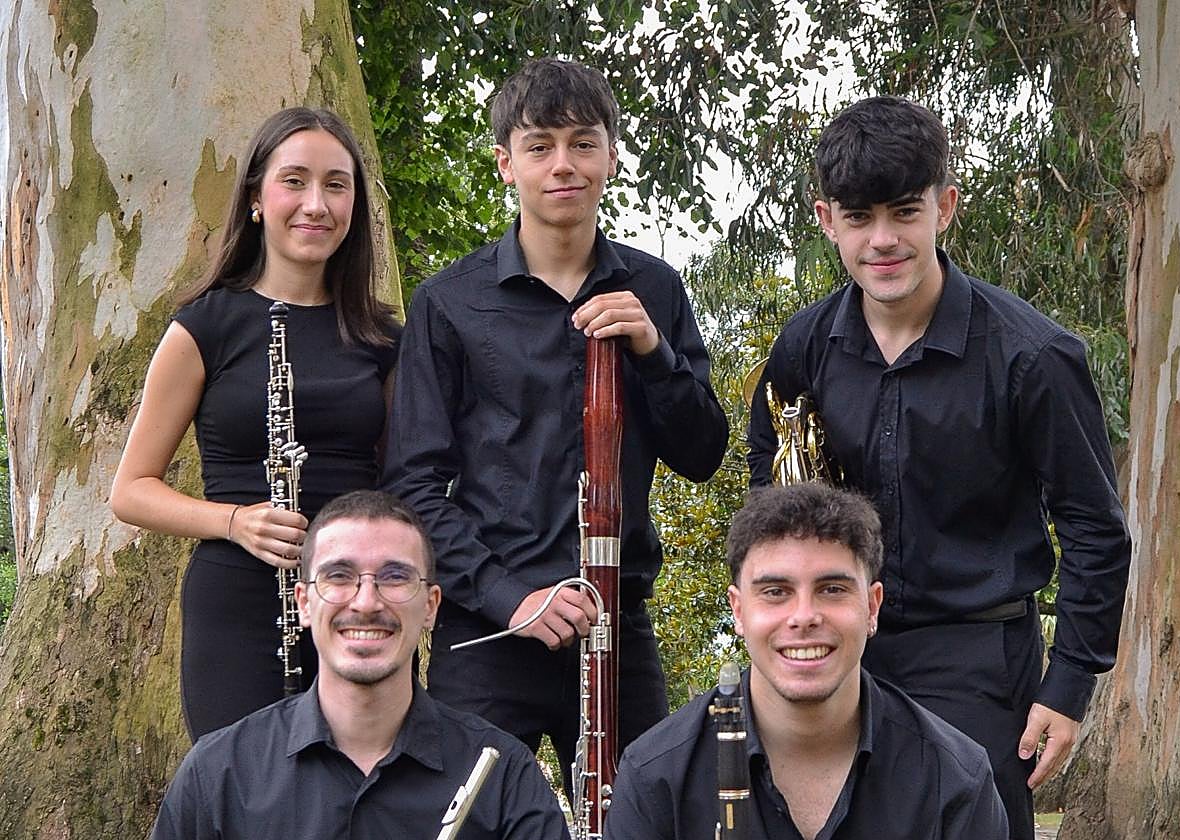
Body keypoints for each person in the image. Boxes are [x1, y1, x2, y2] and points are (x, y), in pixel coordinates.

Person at [746, 96, 1131, 839]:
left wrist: (1071, 684)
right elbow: (772, 472)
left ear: (944, 207)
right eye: (858, 219)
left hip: (977, 659)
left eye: (903, 212)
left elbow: (1094, 528)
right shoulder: (804, 344)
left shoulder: (1034, 356)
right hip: (837, 645)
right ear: (827, 221)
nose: (883, 240)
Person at [382, 57, 729, 781]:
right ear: (506, 164)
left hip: (615, 626)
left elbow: (702, 453)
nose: (562, 164)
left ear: (612, 155)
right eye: (539, 146)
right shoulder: (449, 302)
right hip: (485, 631)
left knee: (642, 823)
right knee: (463, 822)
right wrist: (513, 598)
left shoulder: (655, 289)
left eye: (582, 142)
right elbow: (413, 486)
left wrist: (654, 352)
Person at [111, 107, 401, 740]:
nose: (315, 204)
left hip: (356, 602)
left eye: (336, 184)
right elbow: (130, 490)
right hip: (238, 602)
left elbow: (408, 481)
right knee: (245, 795)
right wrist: (237, 521)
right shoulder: (205, 325)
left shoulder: (383, 338)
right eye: (293, 180)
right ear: (255, 199)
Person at [149, 490, 571, 839]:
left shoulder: (502, 773)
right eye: (338, 576)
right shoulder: (219, 774)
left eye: (394, 577)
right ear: (304, 603)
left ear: (430, 606)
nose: (367, 602)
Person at [605, 483, 1009, 838]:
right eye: (775, 592)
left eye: (832, 589)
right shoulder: (655, 778)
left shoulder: (955, 778)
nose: (803, 617)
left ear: (872, 607)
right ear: (739, 611)